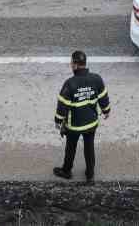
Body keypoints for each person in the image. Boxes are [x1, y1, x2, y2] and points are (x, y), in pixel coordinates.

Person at [53, 50, 110, 183]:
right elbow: (103, 97)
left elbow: (63, 105)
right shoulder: (96, 79)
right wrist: (106, 110)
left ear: (75, 65)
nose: (70, 65)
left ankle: (66, 171)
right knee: (89, 147)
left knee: (70, 148)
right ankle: (90, 174)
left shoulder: (70, 83)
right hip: (91, 123)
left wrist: (58, 120)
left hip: (74, 125)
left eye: (71, 63)